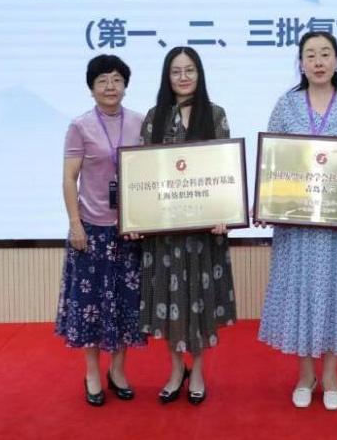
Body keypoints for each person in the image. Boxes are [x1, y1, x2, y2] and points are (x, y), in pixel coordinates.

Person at [257, 31, 337, 411]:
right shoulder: (286, 105)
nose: (318, 61)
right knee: (300, 294)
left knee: (336, 292)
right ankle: (305, 375)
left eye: (325, 54)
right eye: (310, 55)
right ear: (301, 63)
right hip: (296, 225)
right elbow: (271, 162)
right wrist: (265, 203)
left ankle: (332, 375)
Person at [139, 46, 236, 406]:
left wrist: (227, 212)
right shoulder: (154, 117)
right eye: (176, 71)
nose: (183, 77)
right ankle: (175, 369)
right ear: (167, 77)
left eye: (190, 70)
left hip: (203, 232)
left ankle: (197, 371)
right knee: (167, 300)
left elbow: (226, 170)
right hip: (164, 233)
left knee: (198, 301)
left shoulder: (215, 114)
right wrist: (137, 217)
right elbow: (142, 174)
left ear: (199, 74)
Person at [56, 54, 146, 407]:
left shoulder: (140, 122)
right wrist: (75, 223)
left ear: (125, 85)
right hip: (91, 231)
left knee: (125, 306)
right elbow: (69, 178)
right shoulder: (80, 126)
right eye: (102, 81)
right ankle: (93, 372)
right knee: (90, 307)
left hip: (129, 231)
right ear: (91, 88)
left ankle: (118, 371)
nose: (110, 86)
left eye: (117, 79)